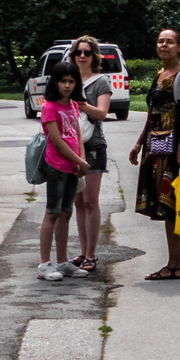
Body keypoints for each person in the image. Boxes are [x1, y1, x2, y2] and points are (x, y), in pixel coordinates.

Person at [131, 28, 180, 281]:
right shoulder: (160, 75)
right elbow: (151, 113)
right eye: (161, 41)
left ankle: (172, 264)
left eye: (170, 42)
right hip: (154, 147)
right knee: (172, 206)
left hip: (170, 150)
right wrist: (138, 144)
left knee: (170, 206)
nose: (164, 45)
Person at [36, 63, 90, 281]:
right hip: (56, 166)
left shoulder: (73, 105)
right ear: (55, 83)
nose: (67, 86)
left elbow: (78, 135)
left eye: (71, 81)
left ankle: (62, 261)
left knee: (67, 212)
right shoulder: (49, 107)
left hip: (73, 166)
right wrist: (79, 161)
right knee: (53, 212)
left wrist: (81, 161)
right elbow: (57, 142)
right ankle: (44, 263)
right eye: (63, 81)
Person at [68, 36, 112, 275]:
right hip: (71, 147)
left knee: (90, 200)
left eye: (87, 52)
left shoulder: (100, 83)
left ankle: (92, 255)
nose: (82, 56)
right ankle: (83, 251)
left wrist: (82, 104)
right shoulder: (69, 79)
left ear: (94, 56)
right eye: (78, 52)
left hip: (93, 146)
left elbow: (103, 113)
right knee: (77, 202)